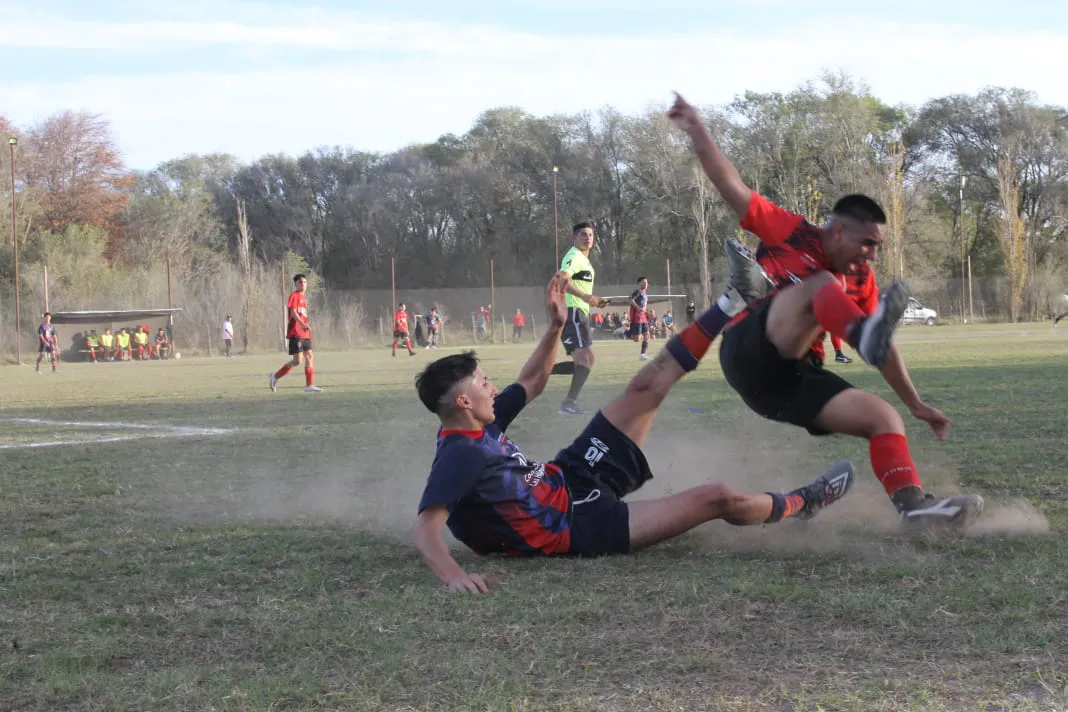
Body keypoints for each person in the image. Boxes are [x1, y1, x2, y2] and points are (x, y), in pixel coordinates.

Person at [412, 272, 855, 593]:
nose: (492, 387)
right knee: (715, 497)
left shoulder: (481, 423)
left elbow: (531, 382)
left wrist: (555, 327)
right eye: (483, 383)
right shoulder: (460, 453)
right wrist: (455, 576)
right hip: (580, 526)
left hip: (570, 477)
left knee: (646, 384)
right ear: (463, 402)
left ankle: (733, 300)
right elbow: (428, 527)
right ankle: (804, 502)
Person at [667, 92, 982, 529]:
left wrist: (914, 403)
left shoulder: (861, 280)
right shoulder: (792, 232)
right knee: (821, 285)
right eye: (867, 243)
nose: (872, 254)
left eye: (878, 246)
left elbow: (883, 347)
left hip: (786, 381)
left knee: (882, 417)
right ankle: (848, 327)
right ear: (835, 232)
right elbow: (731, 185)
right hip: (748, 348)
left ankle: (915, 507)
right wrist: (698, 131)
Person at [551, 221, 609, 414]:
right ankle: (568, 403)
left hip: (581, 312)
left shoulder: (585, 261)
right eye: (583, 234)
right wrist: (585, 297)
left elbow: (581, 288)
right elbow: (562, 280)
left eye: (590, 235)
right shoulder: (573, 255)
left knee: (588, 360)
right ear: (575, 238)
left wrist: (594, 300)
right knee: (584, 360)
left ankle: (544, 370)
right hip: (572, 312)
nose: (588, 238)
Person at [270, 273, 321, 392]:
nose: (302, 284)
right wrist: (302, 324)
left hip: (304, 332)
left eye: (304, 282)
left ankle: (309, 385)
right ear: (296, 284)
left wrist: (305, 326)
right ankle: (275, 376)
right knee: (297, 360)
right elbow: (293, 312)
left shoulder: (303, 298)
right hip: (296, 332)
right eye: (300, 282)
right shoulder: (294, 295)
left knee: (309, 356)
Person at [628, 277, 651, 360]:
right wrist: (638, 308)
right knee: (637, 339)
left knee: (647, 335)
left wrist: (646, 312)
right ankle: (626, 332)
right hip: (636, 317)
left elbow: (643, 306)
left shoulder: (645, 294)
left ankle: (643, 354)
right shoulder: (638, 292)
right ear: (639, 283)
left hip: (643, 317)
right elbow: (631, 299)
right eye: (644, 282)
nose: (646, 284)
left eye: (647, 282)